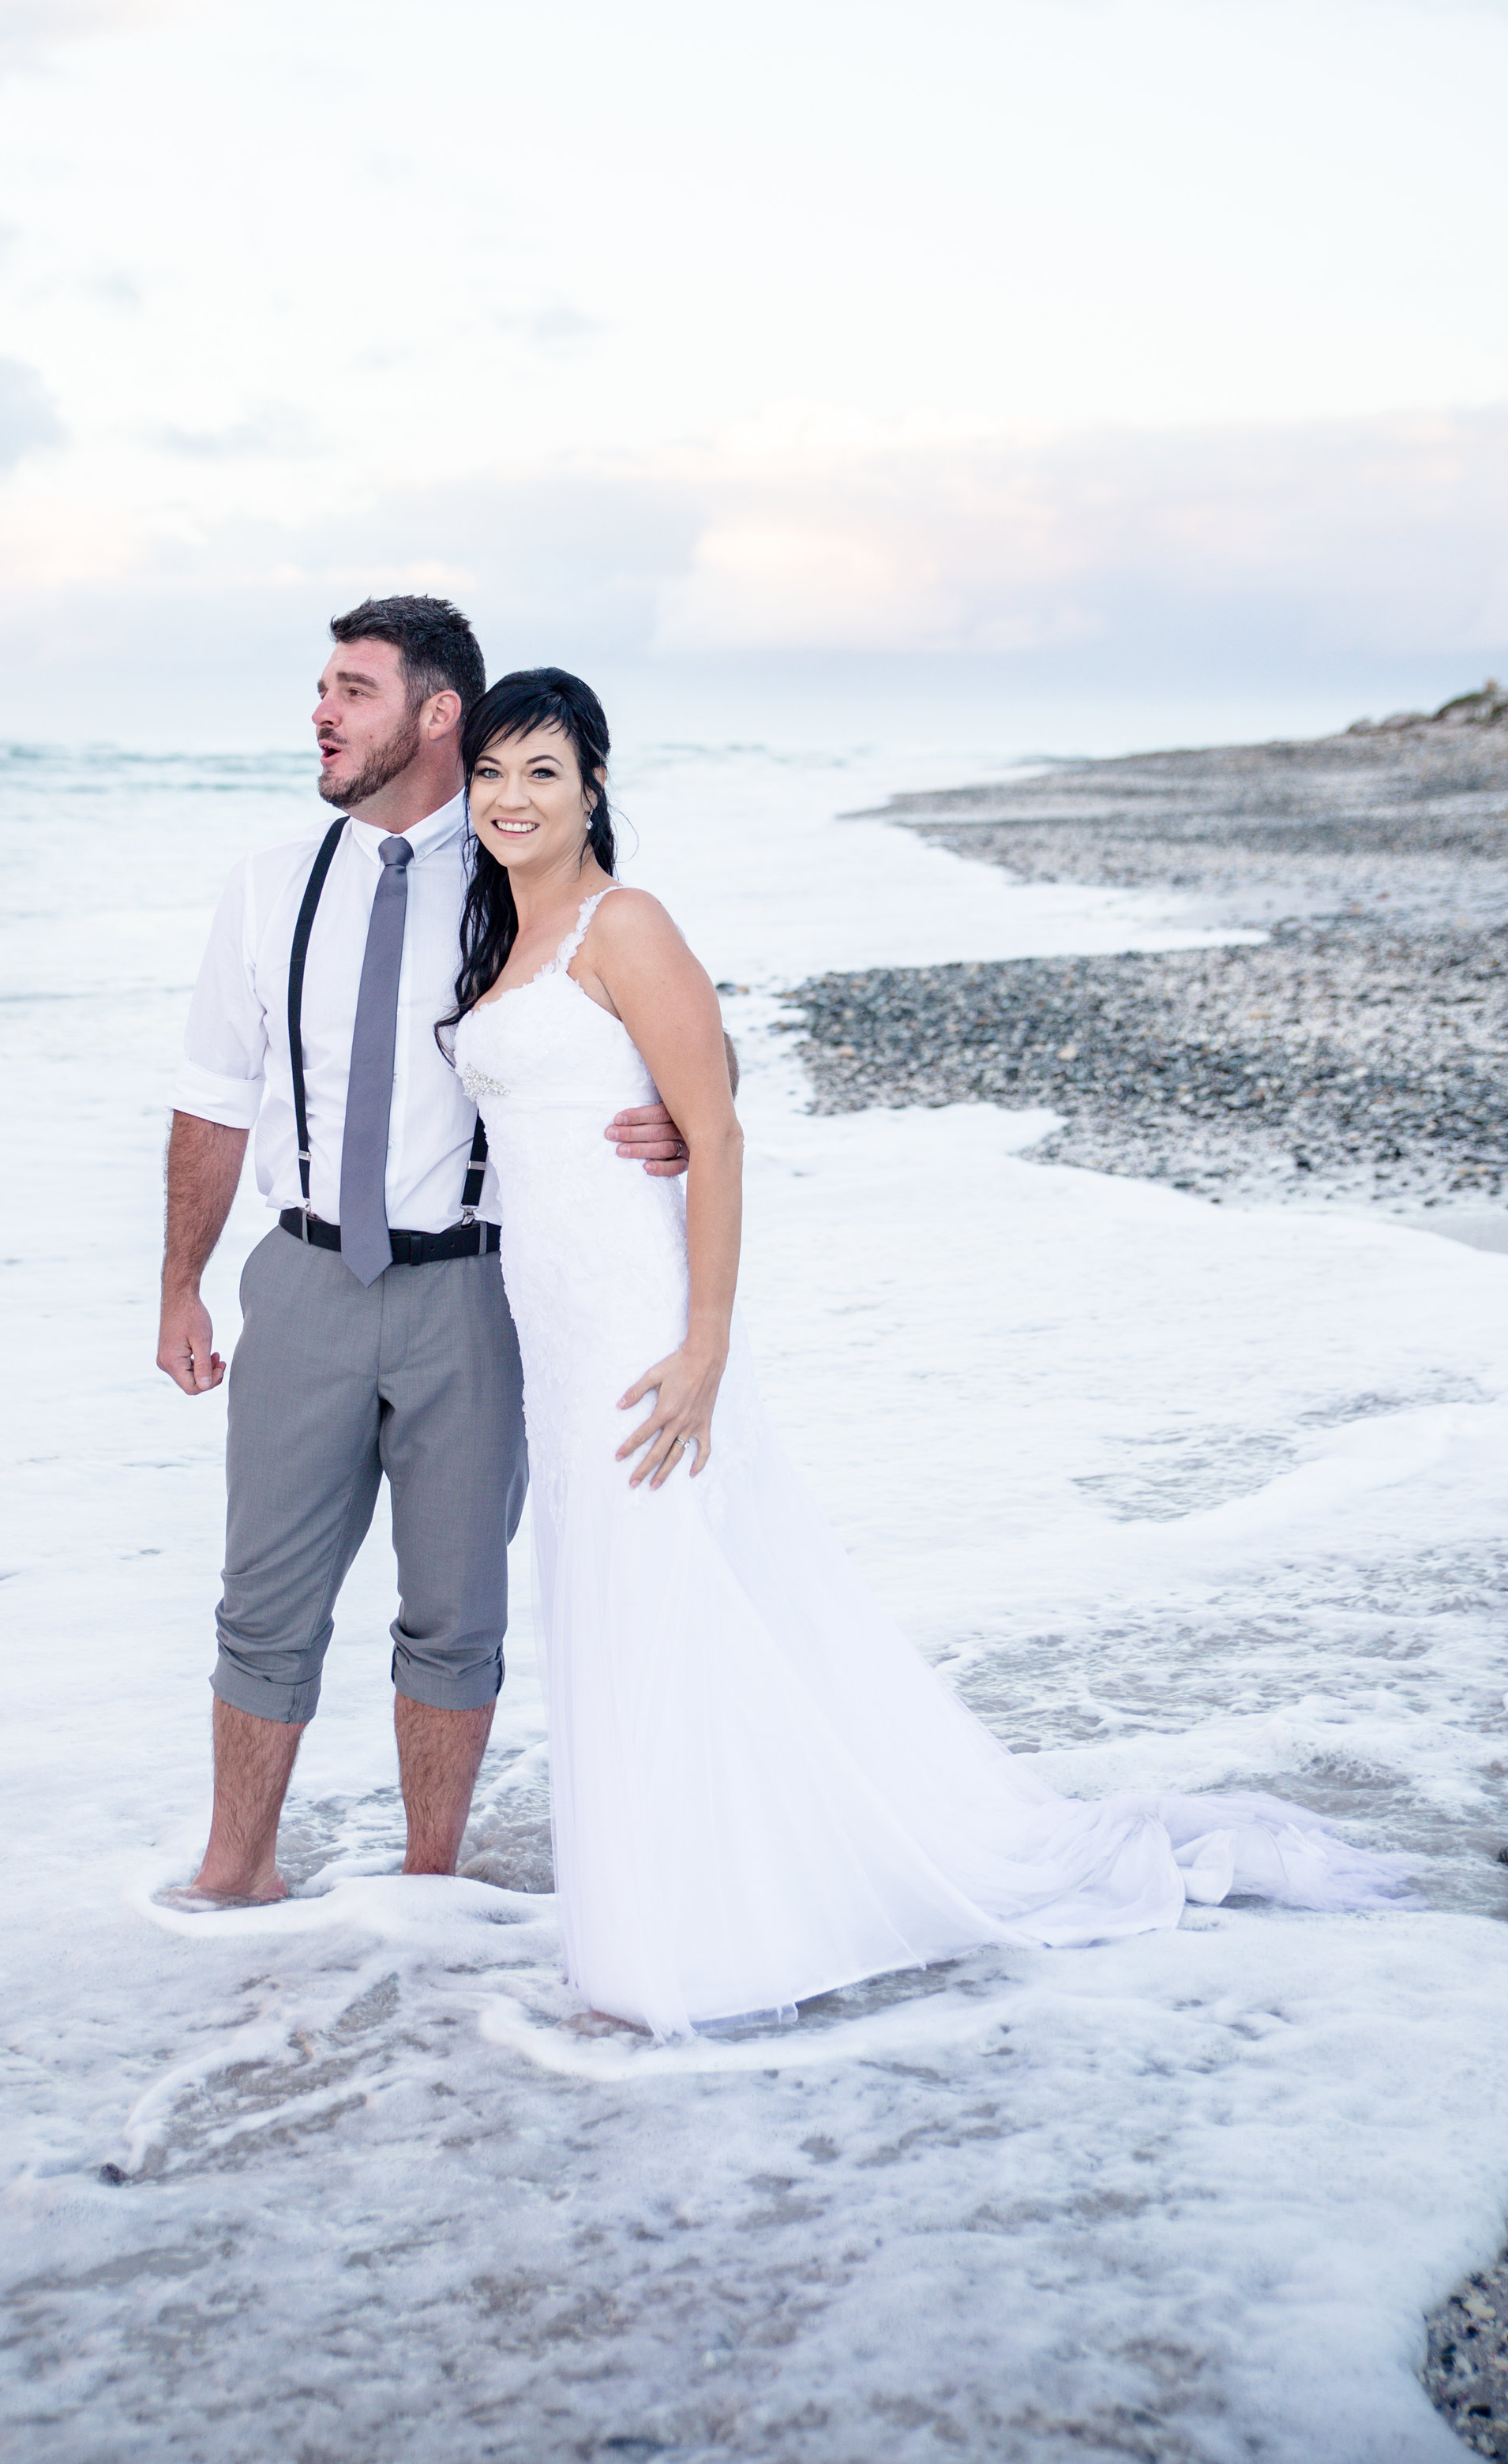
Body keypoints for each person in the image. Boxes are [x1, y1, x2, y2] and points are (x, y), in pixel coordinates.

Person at [447, 665, 1412, 2038]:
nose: (511, 796)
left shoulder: (625, 922)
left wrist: (708, 1336)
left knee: (668, 1592)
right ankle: (669, 1905)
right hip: (549, 1319)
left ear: (595, 785)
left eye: (544, 770)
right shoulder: (497, 947)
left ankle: (714, 1931)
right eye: (491, 770)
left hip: (637, 1320)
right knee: (621, 1599)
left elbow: (712, 1129)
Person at [155, 599, 692, 1904]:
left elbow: (660, 1004)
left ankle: (429, 1887)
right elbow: (214, 1093)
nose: (323, 714)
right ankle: (234, 1874)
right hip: (301, 1276)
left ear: (436, 712)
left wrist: (685, 1108)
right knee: (263, 1603)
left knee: (455, 1616)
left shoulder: (522, 868)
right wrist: (178, 1281)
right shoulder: (271, 883)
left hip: (476, 1291)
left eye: (353, 689)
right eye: (322, 689)